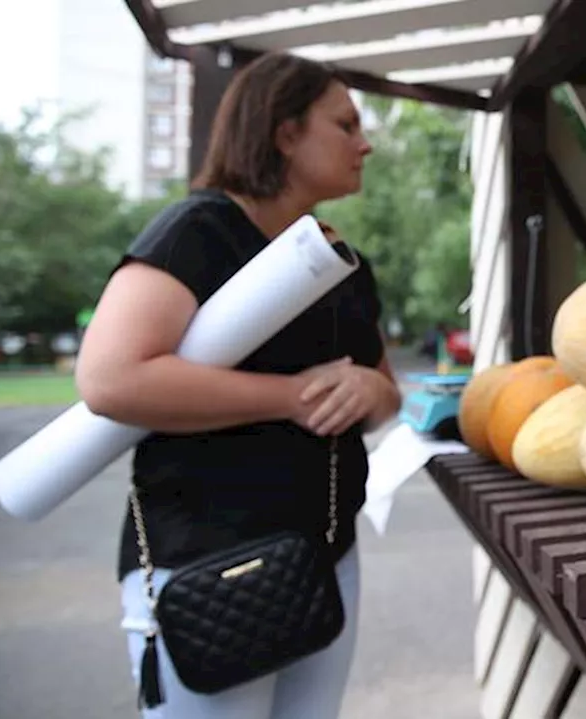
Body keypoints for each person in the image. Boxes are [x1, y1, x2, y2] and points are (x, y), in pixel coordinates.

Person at [74, 52, 400, 718]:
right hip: (206, 563)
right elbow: (110, 378)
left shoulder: (339, 256)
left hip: (326, 556)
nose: (364, 143)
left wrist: (370, 390)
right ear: (285, 132)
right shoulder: (197, 232)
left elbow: (386, 388)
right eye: (345, 125)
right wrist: (290, 396)